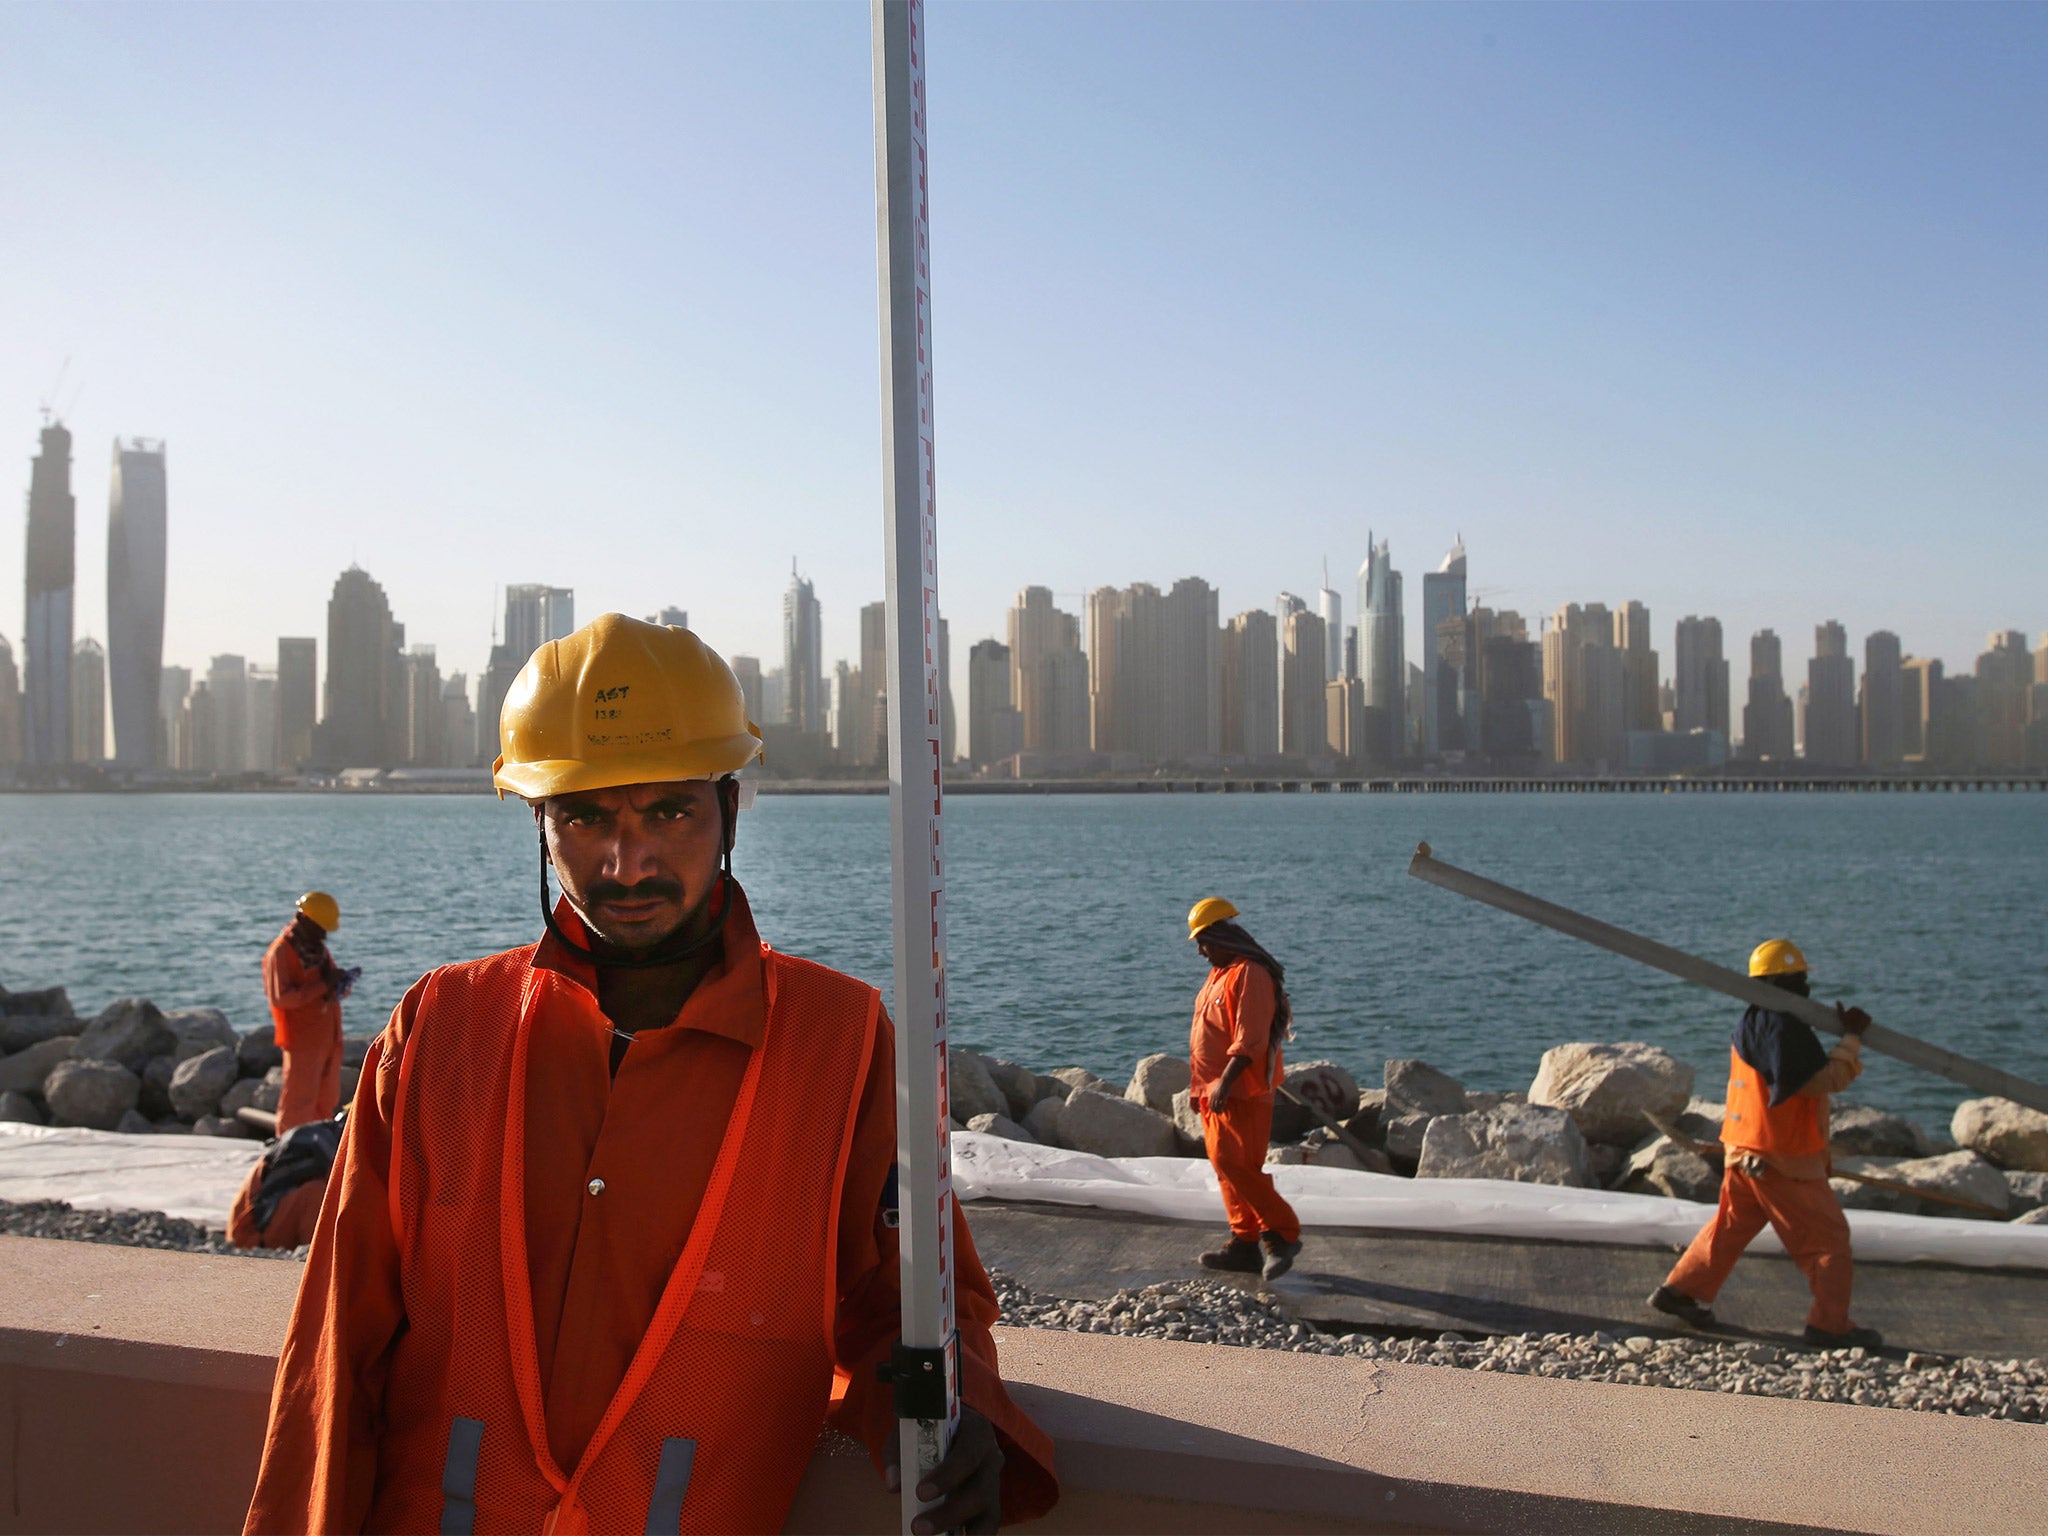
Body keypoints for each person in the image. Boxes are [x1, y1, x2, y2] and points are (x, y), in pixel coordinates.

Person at [245, 615, 1055, 1536]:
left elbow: (908, 1296)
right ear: (541, 825)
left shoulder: (837, 1041)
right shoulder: (443, 1028)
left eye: (669, 811)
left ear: (730, 811)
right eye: (587, 816)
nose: (627, 863)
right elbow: (338, 1338)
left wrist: (958, 1408)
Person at [1649, 938, 1879, 1348]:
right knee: (1827, 1241)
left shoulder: (1752, 1020)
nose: (1804, 985)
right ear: (1792, 982)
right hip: (1781, 1159)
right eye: (1800, 978)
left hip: (1744, 1149)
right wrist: (1851, 1039)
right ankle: (1830, 1324)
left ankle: (1682, 1292)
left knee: (1730, 1227)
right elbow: (1822, 1081)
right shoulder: (1784, 1029)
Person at [1185, 896, 1304, 1282]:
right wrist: (1200, 1088)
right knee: (1225, 1167)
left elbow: (1249, 1039)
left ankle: (1282, 1233)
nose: (1201, 951)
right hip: (1215, 1092)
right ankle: (1244, 1242)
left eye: (1204, 942)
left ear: (1224, 937)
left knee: (1239, 1165)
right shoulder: (1220, 973)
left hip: (1242, 1092)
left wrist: (1225, 1082)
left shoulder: (1251, 974)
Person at [261, 891, 357, 1134]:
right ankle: (288, 1151)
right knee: (298, 1104)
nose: (325, 934)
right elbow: (281, 997)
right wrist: (323, 985)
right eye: (321, 928)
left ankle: (318, 1151)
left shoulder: (317, 950)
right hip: (302, 1041)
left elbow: (326, 980)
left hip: (328, 1037)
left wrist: (338, 983)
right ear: (306, 921)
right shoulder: (281, 952)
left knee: (326, 1101)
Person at [228, 1112, 344, 1251]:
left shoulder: (321, 1137)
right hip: (253, 1236)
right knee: (319, 1194)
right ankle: (316, 1256)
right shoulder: (319, 1146)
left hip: (252, 1229)